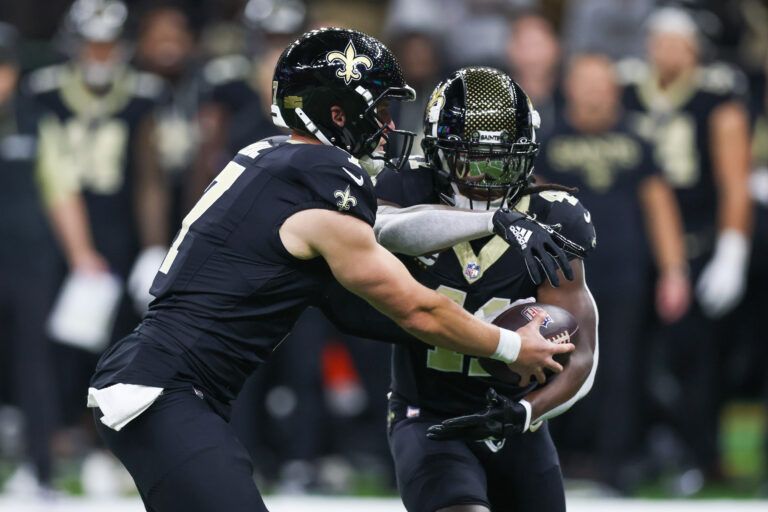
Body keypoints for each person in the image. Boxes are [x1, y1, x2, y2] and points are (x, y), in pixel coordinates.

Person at [86, 28, 574, 512]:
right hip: (169, 387)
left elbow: (388, 231)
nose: (388, 126)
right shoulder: (324, 177)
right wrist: (510, 345)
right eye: (379, 110)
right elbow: (417, 310)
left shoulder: (278, 159)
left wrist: (492, 219)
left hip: (167, 381)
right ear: (338, 113)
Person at [323, 67, 598, 512]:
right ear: (437, 153)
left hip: (514, 421)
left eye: (501, 161)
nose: (486, 179)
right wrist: (494, 220)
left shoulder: (553, 216)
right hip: (427, 416)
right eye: (469, 160)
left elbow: (583, 354)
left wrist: (528, 412)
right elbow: (383, 228)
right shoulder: (406, 186)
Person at [535, 53, 689, 491]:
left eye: (602, 83)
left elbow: (660, 207)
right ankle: (555, 460)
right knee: (553, 363)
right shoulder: (549, 140)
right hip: (560, 276)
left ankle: (616, 464)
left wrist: (674, 271)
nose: (594, 93)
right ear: (570, 87)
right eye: (586, 83)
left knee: (622, 368)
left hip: (625, 275)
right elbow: (530, 204)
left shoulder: (637, 141)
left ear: (615, 89)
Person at [622, 7, 752, 479]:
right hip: (635, 245)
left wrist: (732, 252)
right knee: (630, 356)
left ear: (695, 49)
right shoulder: (627, 90)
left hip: (696, 244)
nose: (666, 52)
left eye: (676, 43)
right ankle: (633, 454)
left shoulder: (716, 96)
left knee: (698, 359)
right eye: (659, 41)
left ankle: (702, 456)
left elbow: (735, 182)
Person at [0, 22, 58, 494]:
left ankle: (41, 469)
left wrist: (82, 255)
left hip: (29, 260)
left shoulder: (35, 118)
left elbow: (60, 190)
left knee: (34, 363)